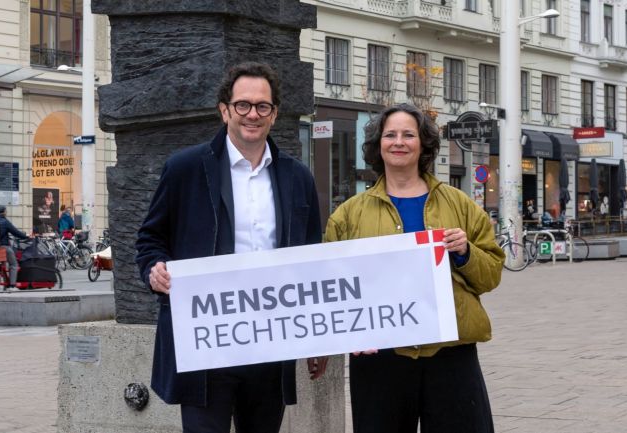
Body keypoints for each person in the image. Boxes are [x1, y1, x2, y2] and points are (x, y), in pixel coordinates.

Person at [135, 62, 327, 433]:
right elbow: (149, 239)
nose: (252, 114)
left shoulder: (297, 176)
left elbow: (311, 259)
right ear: (224, 111)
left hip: (272, 342)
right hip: (206, 345)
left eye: (262, 106)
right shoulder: (185, 169)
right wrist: (154, 269)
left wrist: (318, 338)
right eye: (242, 105)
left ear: (275, 115)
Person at [324, 103, 504, 433]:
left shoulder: (459, 203)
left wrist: (465, 253)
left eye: (409, 134)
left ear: (423, 144)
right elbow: (331, 285)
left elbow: (491, 274)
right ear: (378, 144)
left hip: (451, 353)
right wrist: (347, 330)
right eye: (390, 134)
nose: (399, 142)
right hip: (381, 356)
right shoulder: (348, 215)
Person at [0, 205, 29, 289]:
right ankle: (12, 284)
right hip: (4, 247)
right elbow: (15, 232)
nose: (6, 212)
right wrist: (26, 237)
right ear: (4, 212)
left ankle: (1, 279)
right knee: (14, 264)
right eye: (6, 211)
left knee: (3, 263)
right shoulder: (5, 221)